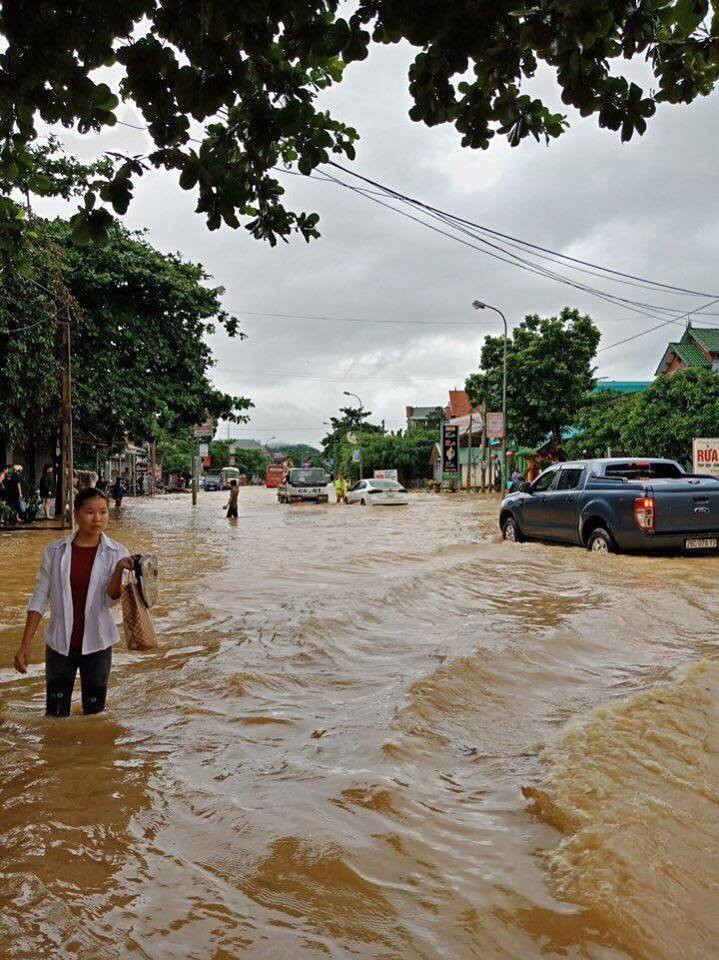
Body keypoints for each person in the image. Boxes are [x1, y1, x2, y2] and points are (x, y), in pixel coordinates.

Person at [13, 487, 134, 717]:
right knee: (55, 716)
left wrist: (119, 569)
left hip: (98, 644)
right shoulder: (55, 552)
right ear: (76, 514)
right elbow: (39, 597)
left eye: (103, 512)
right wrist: (25, 644)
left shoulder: (117, 552)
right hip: (60, 646)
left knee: (95, 716)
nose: (97, 519)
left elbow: (110, 601)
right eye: (90, 512)